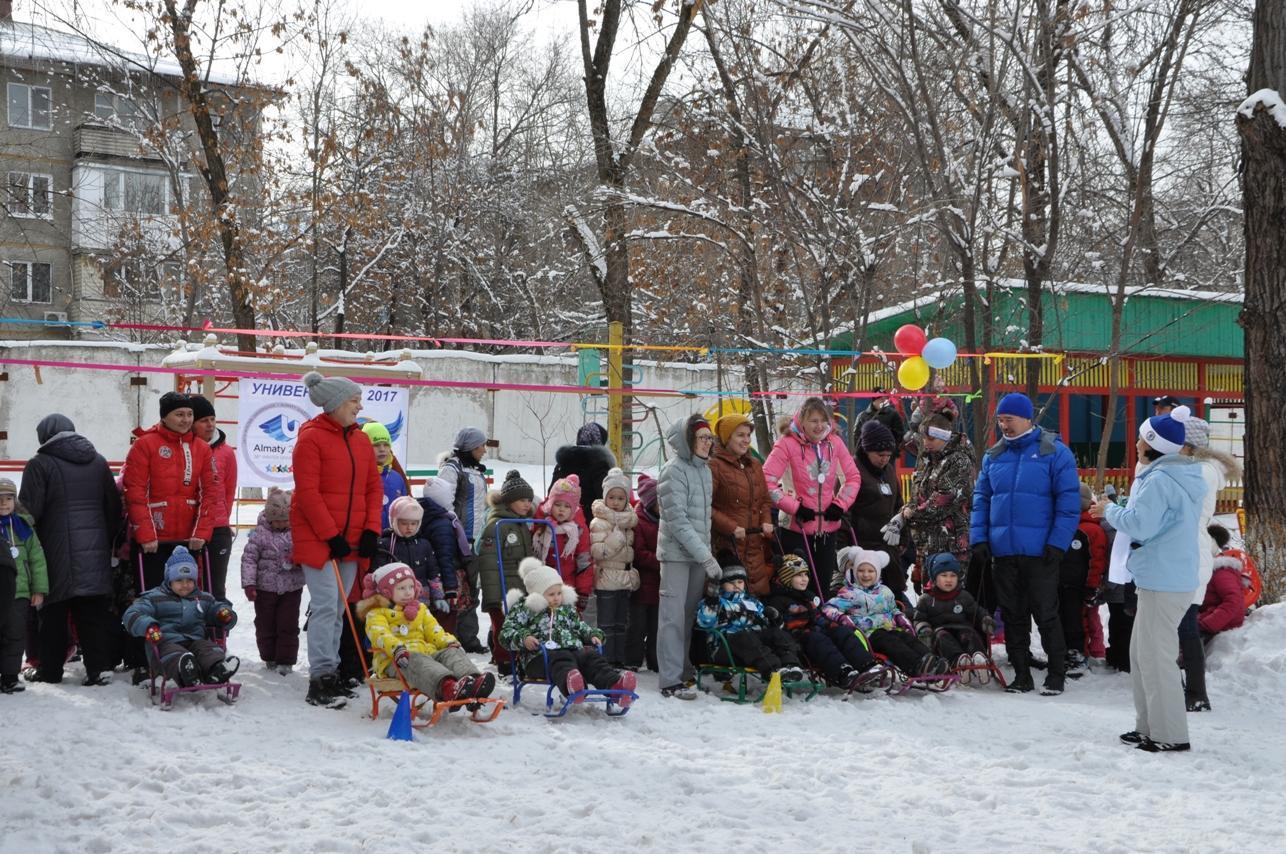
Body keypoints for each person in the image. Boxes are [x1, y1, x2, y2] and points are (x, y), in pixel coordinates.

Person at [1091, 405, 1206, 753]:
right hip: (1163, 575)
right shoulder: (1169, 474)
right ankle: (1148, 727)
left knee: (1156, 659)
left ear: (1151, 443)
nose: (1137, 441)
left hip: (1164, 579)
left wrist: (1109, 510)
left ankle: (1169, 734)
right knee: (1142, 655)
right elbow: (1151, 516)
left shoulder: (1160, 479)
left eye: (1142, 436)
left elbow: (1141, 524)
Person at [970, 393, 1080, 696]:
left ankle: (1056, 674)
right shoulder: (993, 455)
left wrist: (1058, 543)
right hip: (1004, 552)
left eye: (1010, 419)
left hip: (1040, 551)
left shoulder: (1054, 452)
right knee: (1013, 615)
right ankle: (1021, 674)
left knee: (1046, 614)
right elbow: (981, 500)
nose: (1004, 425)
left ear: (1027, 419)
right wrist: (979, 538)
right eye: (1001, 420)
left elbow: (1069, 504)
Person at [291, 372, 383, 710]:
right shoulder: (311, 439)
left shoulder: (360, 441)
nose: (359, 406)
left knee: (340, 608)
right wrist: (330, 535)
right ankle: (321, 676)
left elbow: (373, 488)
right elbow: (308, 494)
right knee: (327, 604)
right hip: (319, 537)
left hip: (353, 538)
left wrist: (371, 530)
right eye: (353, 400)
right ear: (334, 404)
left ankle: (334, 670)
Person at [17, 414, 121, 686]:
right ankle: (99, 669)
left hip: (54, 551)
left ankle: (49, 670)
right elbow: (113, 508)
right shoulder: (98, 462)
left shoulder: (39, 464)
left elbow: (30, 512)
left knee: (52, 615)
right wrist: (104, 541)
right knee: (92, 613)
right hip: (95, 550)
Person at [499, 557, 636, 707]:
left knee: (590, 656)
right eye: (551, 594)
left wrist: (592, 634)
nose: (557, 598)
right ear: (537, 594)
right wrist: (523, 638)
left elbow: (579, 627)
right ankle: (574, 687)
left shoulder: (566, 609)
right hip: (539, 658)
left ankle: (616, 687)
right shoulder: (525, 608)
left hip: (572, 653)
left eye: (559, 593)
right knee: (561, 657)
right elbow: (506, 633)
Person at [122, 391, 223, 590]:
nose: (186, 420)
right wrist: (145, 535)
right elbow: (135, 492)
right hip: (153, 543)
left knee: (186, 599)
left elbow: (210, 493)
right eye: (179, 414)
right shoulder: (145, 445)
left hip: (188, 540)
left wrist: (201, 533)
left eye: (189, 414)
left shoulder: (201, 448)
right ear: (165, 416)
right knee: (154, 597)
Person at [763, 397, 862, 597]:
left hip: (827, 526)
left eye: (822, 420)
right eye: (813, 421)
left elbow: (852, 477)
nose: (819, 426)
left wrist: (840, 504)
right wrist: (794, 507)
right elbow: (767, 480)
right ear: (802, 422)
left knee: (822, 585)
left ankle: (822, 622)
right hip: (795, 526)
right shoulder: (787, 444)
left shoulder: (834, 443)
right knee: (797, 586)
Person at [1175, 415, 1241, 712]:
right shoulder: (1202, 469)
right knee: (1183, 625)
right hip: (1190, 554)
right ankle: (1193, 692)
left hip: (1189, 555)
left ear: (1186, 446)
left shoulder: (1199, 472)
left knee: (1185, 626)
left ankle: (1196, 692)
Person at [359, 562, 495, 704]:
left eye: (411, 587)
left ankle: (473, 682)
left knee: (451, 653)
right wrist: (397, 649)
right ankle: (447, 688)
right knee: (417, 660)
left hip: (426, 653)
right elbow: (380, 635)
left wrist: (448, 642)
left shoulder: (420, 609)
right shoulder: (376, 613)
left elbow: (434, 630)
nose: (408, 592)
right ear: (386, 592)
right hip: (395, 661)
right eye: (401, 588)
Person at [656, 414, 718, 700]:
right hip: (676, 556)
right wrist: (705, 556)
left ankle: (683, 670)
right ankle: (669, 679)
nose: (708, 443)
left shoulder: (704, 470)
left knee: (689, 615)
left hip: (697, 555)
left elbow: (703, 518)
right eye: (703, 438)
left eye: (710, 438)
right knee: (672, 616)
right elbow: (678, 521)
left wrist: (704, 554)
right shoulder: (673, 471)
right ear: (687, 441)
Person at [821, 547, 948, 677]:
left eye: (870, 571)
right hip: (869, 634)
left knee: (907, 638)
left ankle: (932, 662)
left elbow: (893, 609)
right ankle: (915, 666)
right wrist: (842, 617)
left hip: (889, 628)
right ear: (854, 571)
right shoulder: (849, 593)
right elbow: (828, 607)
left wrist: (900, 618)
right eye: (861, 570)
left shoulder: (885, 591)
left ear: (877, 573)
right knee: (892, 643)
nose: (865, 575)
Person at [121, 546, 239, 686]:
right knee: (175, 655)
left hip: (196, 641)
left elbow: (216, 607)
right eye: (179, 580)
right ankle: (187, 674)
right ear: (169, 579)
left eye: (189, 580)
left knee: (208, 649)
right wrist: (149, 626)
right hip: (166, 642)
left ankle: (217, 670)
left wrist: (224, 614)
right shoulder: (155, 598)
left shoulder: (203, 598)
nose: (185, 585)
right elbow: (132, 614)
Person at [763, 553, 881, 689]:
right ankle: (843, 672)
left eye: (806, 575)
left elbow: (817, 617)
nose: (804, 579)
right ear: (786, 578)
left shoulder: (808, 597)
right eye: (798, 575)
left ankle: (867, 664)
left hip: (815, 632)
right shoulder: (777, 600)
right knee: (817, 638)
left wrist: (830, 625)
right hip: (798, 640)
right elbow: (781, 627)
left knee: (841, 632)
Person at [893, 415, 975, 598]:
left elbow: (944, 499)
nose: (926, 443)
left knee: (952, 603)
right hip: (928, 545)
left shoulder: (959, 461)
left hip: (951, 547)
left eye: (931, 438)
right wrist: (902, 513)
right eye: (923, 438)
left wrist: (909, 514)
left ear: (945, 437)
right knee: (929, 605)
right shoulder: (928, 460)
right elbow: (918, 496)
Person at [695, 554, 805, 682]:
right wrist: (712, 601)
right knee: (744, 636)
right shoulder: (716, 601)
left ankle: (790, 665)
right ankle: (772, 670)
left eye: (740, 582)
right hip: (725, 649)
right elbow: (705, 622)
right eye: (731, 583)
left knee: (777, 634)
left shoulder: (752, 602)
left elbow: (767, 626)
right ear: (722, 584)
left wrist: (774, 618)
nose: (736, 586)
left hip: (754, 647)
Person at [474, 470, 536, 671]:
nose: (528, 504)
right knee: (502, 625)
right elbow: (488, 561)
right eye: (522, 500)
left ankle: (509, 655)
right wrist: (493, 597)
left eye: (529, 499)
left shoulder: (521, 524)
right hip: (500, 588)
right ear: (509, 501)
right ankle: (504, 662)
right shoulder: (497, 525)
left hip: (518, 587)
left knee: (516, 624)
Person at [436, 426, 490, 652]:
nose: (484, 451)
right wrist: (454, 530)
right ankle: (449, 637)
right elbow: (441, 502)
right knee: (455, 589)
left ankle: (469, 638)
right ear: (470, 447)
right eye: (481, 446)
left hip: (475, 540)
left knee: (472, 590)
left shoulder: (476, 471)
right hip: (456, 539)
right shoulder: (452, 469)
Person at [709, 413, 775, 595]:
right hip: (728, 544)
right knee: (731, 597)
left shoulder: (754, 465)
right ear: (726, 437)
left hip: (754, 543)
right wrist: (730, 527)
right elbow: (706, 506)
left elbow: (764, 500)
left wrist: (766, 520)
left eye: (748, 435)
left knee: (757, 597)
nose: (746, 440)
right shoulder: (714, 465)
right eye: (740, 435)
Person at [239, 487, 302, 675]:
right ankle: (269, 656)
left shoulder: (297, 533)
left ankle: (286, 660)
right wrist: (249, 584)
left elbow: (305, 553)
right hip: (265, 588)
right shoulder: (259, 534)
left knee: (288, 624)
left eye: (285, 520)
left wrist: (297, 559)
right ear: (269, 517)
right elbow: (249, 559)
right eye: (278, 520)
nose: (282, 524)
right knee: (265, 624)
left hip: (291, 588)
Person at [848, 420, 905, 602]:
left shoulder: (888, 471)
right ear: (866, 450)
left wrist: (904, 536)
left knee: (894, 598)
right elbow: (844, 512)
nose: (885, 459)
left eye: (889, 455)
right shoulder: (853, 471)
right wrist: (846, 549)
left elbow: (899, 506)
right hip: (863, 549)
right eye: (880, 454)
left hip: (888, 547)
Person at [0, 479, 48, 693]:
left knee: (15, 633)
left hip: (19, 593)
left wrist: (38, 589)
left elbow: (37, 559)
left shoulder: (23, 526)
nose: (4, 503)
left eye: (9, 498)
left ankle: (10, 676)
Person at [589, 468, 638, 667]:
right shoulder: (599, 522)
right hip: (606, 577)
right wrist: (615, 541)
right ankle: (605, 659)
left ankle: (619, 658)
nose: (616, 502)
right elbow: (597, 551)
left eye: (620, 498)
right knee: (606, 624)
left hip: (624, 579)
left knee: (621, 623)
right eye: (612, 497)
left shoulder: (629, 523)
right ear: (605, 498)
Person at [189, 394, 237, 601]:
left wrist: (221, 519)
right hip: (189, 525)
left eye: (212, 419)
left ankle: (216, 631)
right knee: (188, 583)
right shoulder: (186, 449)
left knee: (215, 587)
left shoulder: (226, 452)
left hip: (218, 527)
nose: (209, 425)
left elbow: (229, 489)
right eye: (203, 420)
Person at [912, 553, 992, 675]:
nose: (949, 580)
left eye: (953, 576)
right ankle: (958, 661)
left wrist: (985, 619)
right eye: (944, 575)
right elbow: (919, 619)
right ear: (934, 578)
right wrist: (924, 629)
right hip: (939, 632)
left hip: (962, 627)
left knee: (969, 634)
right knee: (944, 637)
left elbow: (976, 610)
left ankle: (979, 659)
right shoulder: (926, 599)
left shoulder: (963, 596)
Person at [1058, 484, 1108, 677]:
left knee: (1078, 621)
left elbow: (1097, 561)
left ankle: (1079, 654)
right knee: (1063, 619)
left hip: (1079, 585)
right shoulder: (1065, 526)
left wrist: (1092, 586)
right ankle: (1065, 653)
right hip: (1061, 582)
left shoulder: (1091, 530)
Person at [418, 476, 472, 638]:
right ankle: (444, 646)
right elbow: (445, 557)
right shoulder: (442, 524)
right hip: (444, 579)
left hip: (433, 577)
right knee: (446, 618)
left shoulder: (426, 515)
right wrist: (450, 588)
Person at [533, 475, 593, 613]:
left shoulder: (577, 530)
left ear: (573, 510)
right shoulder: (542, 525)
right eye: (557, 504)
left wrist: (583, 592)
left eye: (567, 506)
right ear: (550, 504)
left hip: (567, 586)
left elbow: (584, 562)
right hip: (543, 586)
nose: (561, 510)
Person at [379, 496, 448, 613]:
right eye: (404, 523)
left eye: (414, 523)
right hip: (394, 603)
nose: (409, 527)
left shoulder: (424, 544)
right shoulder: (386, 544)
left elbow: (433, 573)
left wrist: (438, 596)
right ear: (394, 521)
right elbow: (378, 574)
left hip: (421, 601)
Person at [625, 473, 661, 672]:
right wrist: (660, 561)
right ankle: (632, 659)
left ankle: (655, 659)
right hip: (642, 584)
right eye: (659, 503)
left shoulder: (663, 521)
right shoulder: (639, 521)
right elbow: (638, 553)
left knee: (656, 626)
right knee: (637, 625)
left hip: (659, 584)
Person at [549, 422, 617, 522]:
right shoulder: (600, 464)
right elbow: (605, 496)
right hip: (592, 523)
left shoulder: (564, 461)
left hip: (562, 520)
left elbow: (551, 492)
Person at [1198, 525, 1246, 641]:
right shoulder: (1208, 570)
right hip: (1209, 618)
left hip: (1219, 623)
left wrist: (1205, 624)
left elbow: (1234, 602)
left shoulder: (1222, 572)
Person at [363, 421, 410, 531]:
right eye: (376, 445)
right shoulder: (360, 475)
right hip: (367, 537)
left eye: (386, 444)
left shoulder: (397, 477)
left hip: (393, 539)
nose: (382, 449)